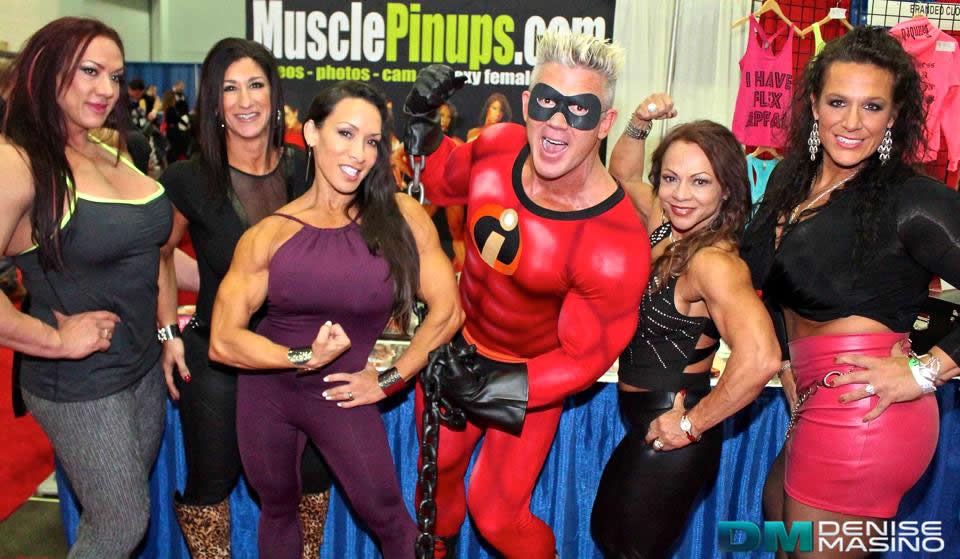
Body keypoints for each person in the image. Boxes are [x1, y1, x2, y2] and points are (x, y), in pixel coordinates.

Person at [402, 31, 650, 558]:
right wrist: (422, 124)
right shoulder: (496, 147)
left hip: (530, 377)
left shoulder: (614, 241)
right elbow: (439, 182)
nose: (558, 121)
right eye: (547, 101)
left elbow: (584, 358)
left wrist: (496, 387)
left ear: (606, 122)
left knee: (496, 514)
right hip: (457, 347)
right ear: (526, 102)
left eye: (579, 109)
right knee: (436, 481)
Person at [208, 80, 463, 559]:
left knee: (391, 520)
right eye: (345, 134)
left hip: (343, 392)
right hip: (268, 393)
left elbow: (449, 312)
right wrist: (303, 355)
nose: (359, 153)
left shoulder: (402, 216)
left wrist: (388, 378)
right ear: (311, 133)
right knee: (277, 508)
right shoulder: (269, 234)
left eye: (371, 141)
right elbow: (223, 340)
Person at [739, 27, 960, 556]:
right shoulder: (788, 180)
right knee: (781, 537)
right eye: (838, 102)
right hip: (814, 399)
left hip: (867, 412)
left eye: (872, 106)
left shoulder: (912, 199)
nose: (852, 122)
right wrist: (787, 364)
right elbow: (773, 290)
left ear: (894, 116)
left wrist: (924, 371)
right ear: (814, 104)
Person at [0, 18, 172, 558]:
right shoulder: (19, 160)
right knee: (121, 523)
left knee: (119, 519)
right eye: (90, 72)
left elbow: (151, 252)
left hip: (141, 368)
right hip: (79, 381)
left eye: (115, 77)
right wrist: (53, 340)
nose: (106, 89)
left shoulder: (109, 147)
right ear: (46, 71)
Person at [158, 38, 333, 558]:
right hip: (218, 356)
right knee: (210, 484)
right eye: (229, 88)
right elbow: (159, 255)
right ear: (214, 102)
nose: (244, 100)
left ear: (273, 94)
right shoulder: (187, 179)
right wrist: (167, 333)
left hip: (300, 358)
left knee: (311, 480)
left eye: (255, 84)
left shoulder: (309, 168)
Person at [593, 112, 781, 557]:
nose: (680, 194)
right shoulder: (667, 226)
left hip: (674, 428)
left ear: (726, 189)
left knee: (630, 549)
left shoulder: (713, 263)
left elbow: (761, 358)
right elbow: (624, 174)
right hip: (647, 422)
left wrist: (690, 425)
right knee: (611, 539)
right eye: (670, 178)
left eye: (700, 182)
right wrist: (640, 121)